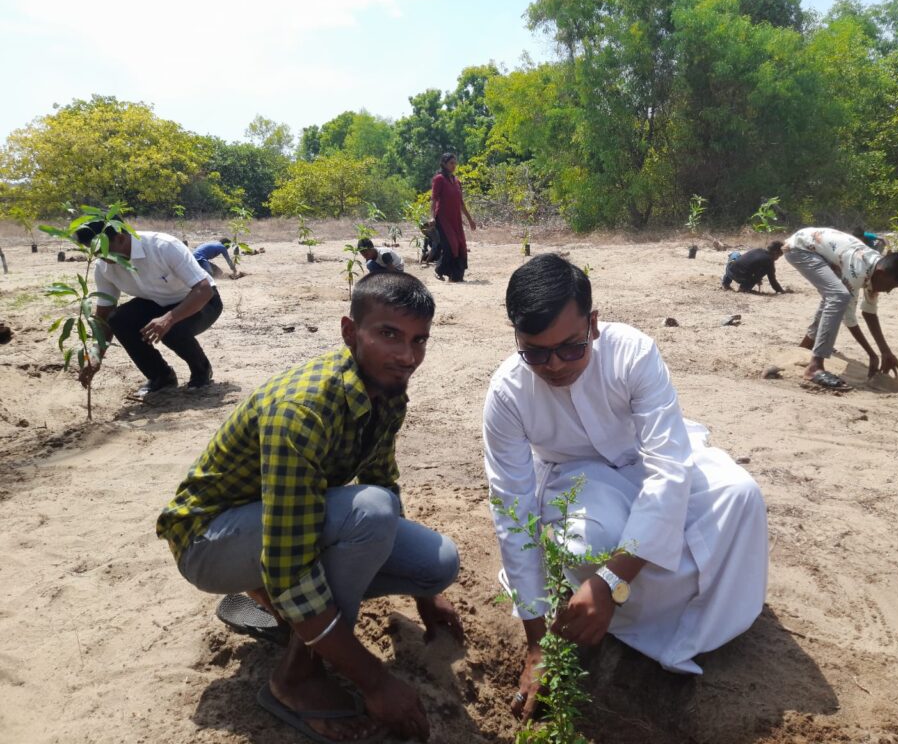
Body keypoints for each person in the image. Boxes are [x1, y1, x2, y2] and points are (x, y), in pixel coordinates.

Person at [156, 272, 462, 743]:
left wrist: (425, 594)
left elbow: (381, 476)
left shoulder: (385, 388)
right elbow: (290, 559)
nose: (407, 356)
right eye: (389, 335)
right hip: (209, 541)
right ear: (348, 331)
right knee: (370, 514)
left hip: (278, 524)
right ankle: (293, 678)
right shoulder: (302, 409)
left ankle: (283, 613)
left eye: (419, 340)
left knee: (436, 563)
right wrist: (375, 681)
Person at [483, 254, 768, 721]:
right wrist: (537, 643)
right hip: (575, 477)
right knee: (588, 542)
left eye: (570, 348)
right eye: (535, 352)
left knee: (740, 497)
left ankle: (686, 628)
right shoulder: (507, 393)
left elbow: (669, 468)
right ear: (516, 337)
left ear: (593, 324)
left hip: (646, 461)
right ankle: (597, 616)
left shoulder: (632, 352)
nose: (553, 365)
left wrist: (612, 581)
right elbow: (512, 513)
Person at [76, 219, 222, 396]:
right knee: (119, 320)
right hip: (156, 302)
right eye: (95, 252)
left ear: (121, 239)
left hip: (201, 302)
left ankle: (201, 371)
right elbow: (104, 315)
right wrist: (95, 355)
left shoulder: (163, 246)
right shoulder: (104, 267)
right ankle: (161, 376)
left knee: (172, 328)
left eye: (102, 250)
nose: (100, 257)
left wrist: (168, 318)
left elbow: (203, 290)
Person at [784, 227, 898, 390]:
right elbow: (849, 318)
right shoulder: (858, 270)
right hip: (799, 248)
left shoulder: (876, 268)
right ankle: (814, 367)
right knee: (839, 296)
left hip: (817, 250)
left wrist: (885, 352)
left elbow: (869, 312)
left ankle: (806, 346)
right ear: (881, 274)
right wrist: (872, 354)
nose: (888, 291)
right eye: (890, 286)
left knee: (834, 295)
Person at [430, 152, 476, 283]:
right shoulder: (439, 179)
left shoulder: (456, 181)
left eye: (455, 163)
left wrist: (470, 219)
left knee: (461, 245)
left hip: (455, 219)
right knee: (451, 246)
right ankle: (439, 270)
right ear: (444, 164)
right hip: (443, 219)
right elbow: (433, 200)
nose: (454, 166)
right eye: (451, 163)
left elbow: (461, 203)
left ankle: (456, 276)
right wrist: (432, 217)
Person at [721, 241, 787, 293]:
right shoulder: (769, 261)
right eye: (779, 256)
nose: (777, 258)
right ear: (775, 252)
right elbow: (773, 281)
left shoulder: (758, 250)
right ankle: (744, 288)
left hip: (729, 271)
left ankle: (725, 283)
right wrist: (781, 290)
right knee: (765, 270)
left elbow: (747, 262)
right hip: (742, 278)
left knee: (735, 255)